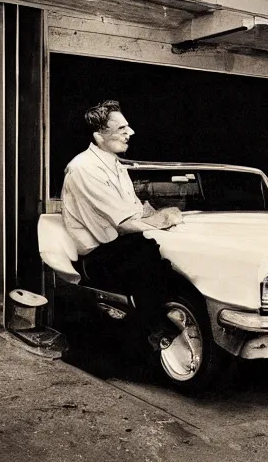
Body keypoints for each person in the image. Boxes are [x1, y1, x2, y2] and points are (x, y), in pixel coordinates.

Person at [61, 100, 183, 342]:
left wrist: (163, 217)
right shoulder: (84, 168)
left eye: (128, 127)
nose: (131, 133)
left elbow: (136, 211)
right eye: (121, 129)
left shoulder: (116, 166)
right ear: (99, 136)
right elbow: (125, 223)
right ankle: (156, 333)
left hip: (118, 248)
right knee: (147, 252)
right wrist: (166, 220)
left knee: (157, 254)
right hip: (94, 258)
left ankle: (162, 327)